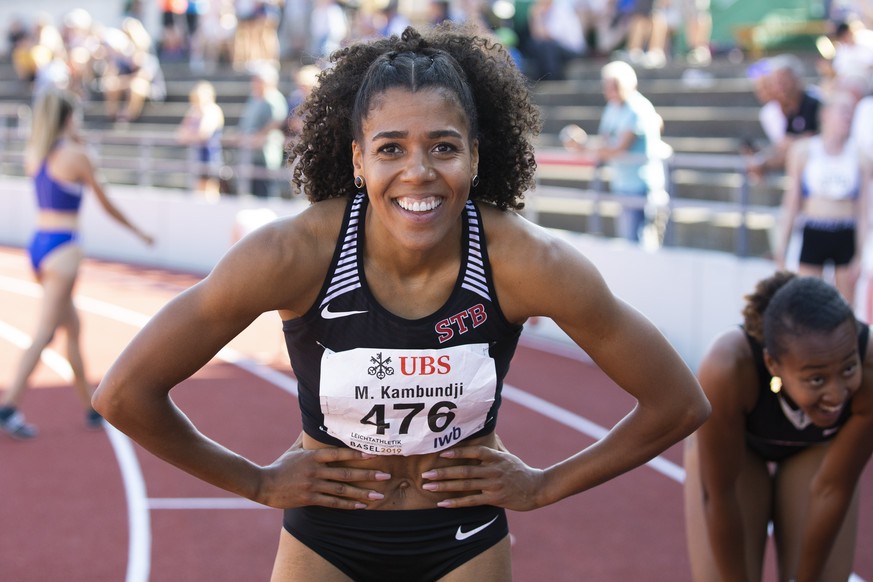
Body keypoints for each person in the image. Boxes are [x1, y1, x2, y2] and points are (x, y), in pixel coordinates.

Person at [92, 24, 709, 580]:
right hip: (327, 538)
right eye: (391, 148)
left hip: (464, 539)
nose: (418, 172)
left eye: (443, 147)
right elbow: (124, 394)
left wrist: (543, 487)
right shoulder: (292, 255)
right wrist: (256, 482)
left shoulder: (528, 263)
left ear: (475, 155)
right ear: (358, 159)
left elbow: (677, 402)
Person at [684, 271, 873, 581]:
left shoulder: (870, 365)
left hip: (817, 449)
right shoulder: (727, 368)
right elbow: (720, 496)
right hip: (740, 451)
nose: (838, 394)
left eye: (848, 368)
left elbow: (833, 489)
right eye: (817, 379)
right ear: (772, 364)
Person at [0, 89, 153, 440]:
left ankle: (91, 408)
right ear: (69, 118)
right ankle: (9, 405)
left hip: (39, 245)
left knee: (73, 327)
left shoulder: (35, 153)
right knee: (45, 332)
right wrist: (140, 233)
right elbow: (106, 203)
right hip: (64, 250)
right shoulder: (78, 156)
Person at [774, 89, 872, 307]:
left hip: (845, 232)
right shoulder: (803, 151)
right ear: (826, 114)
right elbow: (792, 202)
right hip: (814, 231)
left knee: (845, 307)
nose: (848, 117)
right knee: (808, 304)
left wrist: (860, 254)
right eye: (843, 110)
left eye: (851, 112)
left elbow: (863, 210)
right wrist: (781, 246)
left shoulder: (860, 156)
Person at [563, 59, 667, 244]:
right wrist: (583, 143)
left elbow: (619, 147)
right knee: (629, 240)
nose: (610, 91)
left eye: (614, 86)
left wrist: (585, 148)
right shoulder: (612, 108)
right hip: (623, 183)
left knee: (640, 242)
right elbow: (605, 141)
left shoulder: (638, 109)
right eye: (607, 87)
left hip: (642, 186)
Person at [234, 62, 289, 197]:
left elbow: (277, 120)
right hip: (251, 153)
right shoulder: (254, 98)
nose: (254, 83)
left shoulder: (274, 98)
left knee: (265, 190)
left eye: (258, 80)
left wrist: (259, 136)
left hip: (266, 153)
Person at [176, 80, 225, 200]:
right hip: (197, 156)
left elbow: (204, 133)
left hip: (210, 156)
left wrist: (190, 135)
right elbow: (180, 134)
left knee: (210, 189)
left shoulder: (213, 110)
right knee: (198, 190)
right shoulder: (194, 111)